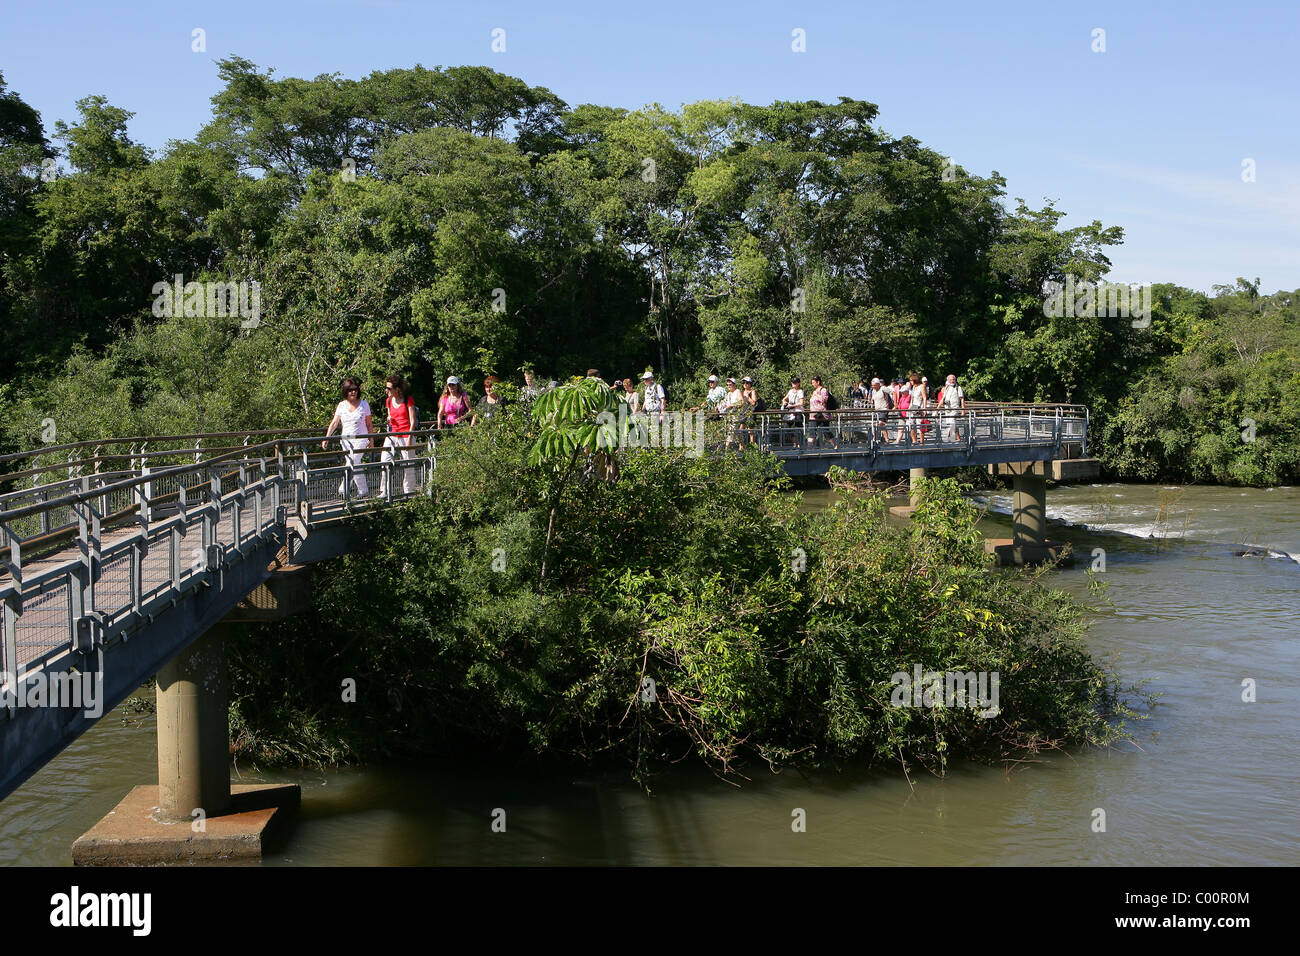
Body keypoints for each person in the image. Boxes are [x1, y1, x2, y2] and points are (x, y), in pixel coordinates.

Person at [322, 377, 373, 498]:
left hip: (361, 439)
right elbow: (334, 423)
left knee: (353, 461)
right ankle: (363, 490)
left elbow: (369, 424)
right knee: (355, 463)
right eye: (350, 390)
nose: (353, 392)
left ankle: (343, 488)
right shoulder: (341, 405)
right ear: (346, 391)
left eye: (355, 389)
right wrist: (327, 438)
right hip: (346, 440)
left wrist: (372, 441)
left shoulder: (364, 404)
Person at [379, 373, 418, 497]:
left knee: (408, 463)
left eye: (389, 388)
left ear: (397, 389)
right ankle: (384, 491)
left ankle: (409, 491)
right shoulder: (388, 400)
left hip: (406, 434)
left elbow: (412, 421)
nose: (387, 390)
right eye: (386, 388)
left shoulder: (408, 399)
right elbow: (390, 415)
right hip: (393, 434)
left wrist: (409, 439)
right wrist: (389, 418)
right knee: (384, 460)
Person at [807, 375, 838, 449]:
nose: (812, 384)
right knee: (811, 432)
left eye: (814, 382)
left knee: (825, 431)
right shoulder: (814, 391)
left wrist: (817, 395)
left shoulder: (823, 390)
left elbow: (824, 400)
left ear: (818, 382)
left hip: (822, 415)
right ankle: (809, 449)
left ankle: (836, 446)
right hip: (813, 415)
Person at [937, 374, 966, 442]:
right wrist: (937, 409)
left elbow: (962, 399)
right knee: (950, 424)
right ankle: (957, 439)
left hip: (954, 408)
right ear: (948, 380)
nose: (952, 381)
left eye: (953, 379)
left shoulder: (958, 388)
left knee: (952, 423)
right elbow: (943, 398)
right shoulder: (947, 388)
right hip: (947, 409)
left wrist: (963, 410)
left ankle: (951, 437)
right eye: (951, 379)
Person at [781, 376, 806, 447]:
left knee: (799, 428)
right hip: (790, 413)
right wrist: (785, 403)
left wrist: (792, 405)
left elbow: (801, 403)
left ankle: (801, 444)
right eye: (792, 382)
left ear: (798, 383)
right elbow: (784, 399)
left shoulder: (800, 391)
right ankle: (796, 443)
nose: (793, 384)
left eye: (795, 382)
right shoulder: (790, 391)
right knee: (786, 428)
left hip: (798, 411)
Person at [909, 373, 928, 444]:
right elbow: (912, 398)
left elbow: (924, 397)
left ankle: (921, 442)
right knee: (910, 424)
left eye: (911, 380)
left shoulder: (921, 386)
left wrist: (924, 409)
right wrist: (909, 407)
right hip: (913, 407)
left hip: (919, 407)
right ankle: (914, 441)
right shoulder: (914, 387)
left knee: (920, 425)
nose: (910, 382)